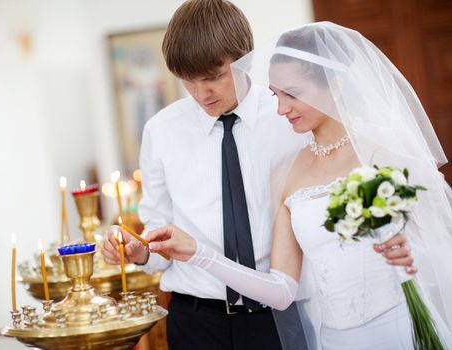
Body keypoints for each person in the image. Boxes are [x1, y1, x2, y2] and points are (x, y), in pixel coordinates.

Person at [145, 22, 452, 349]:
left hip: (400, 328)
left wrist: (413, 252)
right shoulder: (287, 171)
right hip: (331, 338)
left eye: (292, 94)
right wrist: (199, 253)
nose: (280, 108)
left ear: (334, 85)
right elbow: (281, 291)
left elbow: (441, 234)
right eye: (276, 94)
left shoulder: (387, 147)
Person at [101, 1, 309, 349]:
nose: (202, 93)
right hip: (196, 322)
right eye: (188, 81)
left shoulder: (287, 120)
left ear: (246, 59)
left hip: (280, 318)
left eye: (213, 77)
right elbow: (157, 236)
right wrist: (140, 254)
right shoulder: (161, 131)